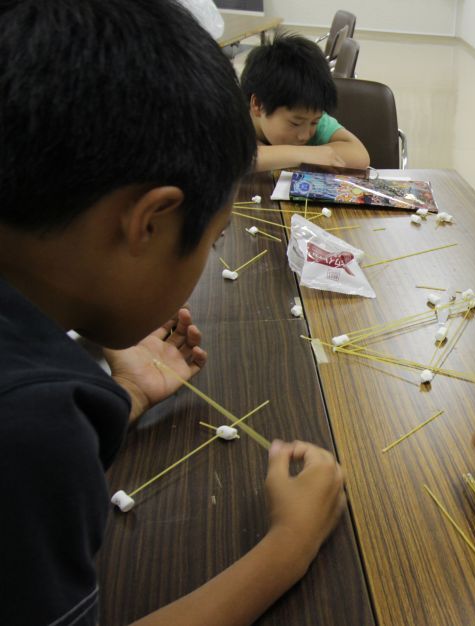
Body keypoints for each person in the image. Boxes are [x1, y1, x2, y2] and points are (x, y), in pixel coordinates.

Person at [0, 1, 345, 624]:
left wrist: (123, 396)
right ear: (150, 221)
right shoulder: (33, 427)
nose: (207, 261)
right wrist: (288, 547)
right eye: (213, 243)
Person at [240, 33, 370, 172]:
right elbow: (227, 161)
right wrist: (305, 154)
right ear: (258, 105)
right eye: (295, 123)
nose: (305, 135)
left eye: (314, 122)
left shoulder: (307, 115)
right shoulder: (234, 119)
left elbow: (360, 156)